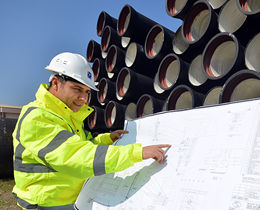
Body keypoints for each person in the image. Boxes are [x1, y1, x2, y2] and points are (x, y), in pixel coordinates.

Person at [12, 52, 171, 209]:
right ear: (55, 83)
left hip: (71, 198)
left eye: (87, 92)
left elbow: (85, 144)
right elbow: (76, 156)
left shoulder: (68, 116)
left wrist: (108, 139)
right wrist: (136, 153)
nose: (84, 98)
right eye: (77, 89)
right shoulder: (37, 118)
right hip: (47, 203)